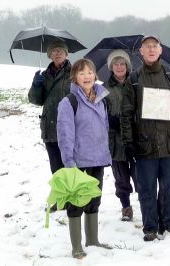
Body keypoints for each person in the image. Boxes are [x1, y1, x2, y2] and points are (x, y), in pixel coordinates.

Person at [120, 35, 170, 241]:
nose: (151, 49)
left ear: (160, 50)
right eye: (147, 47)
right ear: (141, 52)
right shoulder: (133, 79)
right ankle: (150, 227)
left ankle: (169, 223)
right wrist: (128, 141)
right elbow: (126, 114)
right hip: (145, 145)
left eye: (155, 46)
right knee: (147, 189)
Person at [57, 59, 112, 259]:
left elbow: (104, 129)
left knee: (94, 201)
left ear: (95, 75)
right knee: (76, 203)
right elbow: (65, 136)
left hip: (98, 159)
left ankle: (93, 240)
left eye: (90, 72)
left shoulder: (102, 99)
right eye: (82, 73)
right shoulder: (69, 102)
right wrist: (69, 163)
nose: (87, 76)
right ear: (75, 77)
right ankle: (76, 246)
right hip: (78, 162)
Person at [28, 41, 71, 212]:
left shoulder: (75, 72)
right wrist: (36, 85)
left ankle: (73, 198)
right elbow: (36, 100)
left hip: (69, 128)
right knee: (56, 166)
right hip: (50, 126)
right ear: (49, 55)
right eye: (54, 51)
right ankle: (61, 198)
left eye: (61, 51)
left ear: (67, 54)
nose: (57, 53)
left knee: (70, 164)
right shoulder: (45, 75)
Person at [104, 49, 137, 222]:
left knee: (141, 176)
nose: (119, 67)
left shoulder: (136, 83)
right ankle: (126, 207)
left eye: (122, 63)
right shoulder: (103, 88)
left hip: (136, 138)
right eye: (115, 64)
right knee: (121, 177)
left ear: (127, 66)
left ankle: (148, 205)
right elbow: (97, 110)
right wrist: (109, 119)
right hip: (115, 141)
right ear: (111, 67)